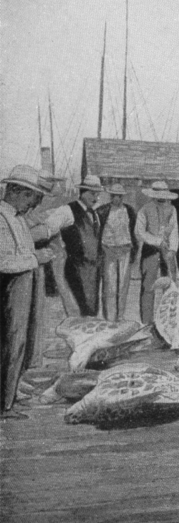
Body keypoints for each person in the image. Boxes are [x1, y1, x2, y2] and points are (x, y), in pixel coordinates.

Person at [1, 165, 53, 419]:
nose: (33, 205)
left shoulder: (18, 218)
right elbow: (3, 262)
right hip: (8, 291)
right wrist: (36, 259)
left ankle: (10, 396)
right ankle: (4, 405)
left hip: (22, 289)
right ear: (17, 191)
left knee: (21, 344)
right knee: (10, 345)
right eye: (31, 197)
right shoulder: (1, 218)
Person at [49, 175, 104, 316]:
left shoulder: (95, 214)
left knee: (92, 312)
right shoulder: (67, 211)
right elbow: (47, 229)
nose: (96, 198)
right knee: (77, 312)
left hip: (93, 272)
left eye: (97, 194)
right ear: (83, 192)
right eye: (92, 194)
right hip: (75, 271)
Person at [135, 180, 179, 325]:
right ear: (153, 195)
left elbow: (174, 231)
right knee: (149, 286)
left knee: (169, 284)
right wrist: (156, 241)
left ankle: (167, 319)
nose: (161, 198)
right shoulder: (145, 210)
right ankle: (146, 322)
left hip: (167, 250)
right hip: (151, 250)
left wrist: (173, 249)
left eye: (163, 195)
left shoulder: (172, 210)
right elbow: (139, 232)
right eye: (158, 195)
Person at [96, 184, 137, 322]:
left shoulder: (129, 211)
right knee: (110, 285)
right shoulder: (102, 211)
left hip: (125, 249)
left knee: (123, 285)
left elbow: (133, 232)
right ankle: (110, 317)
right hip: (108, 249)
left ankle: (120, 316)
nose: (116, 199)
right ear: (110, 196)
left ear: (122, 197)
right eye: (114, 196)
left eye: (119, 196)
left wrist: (133, 251)